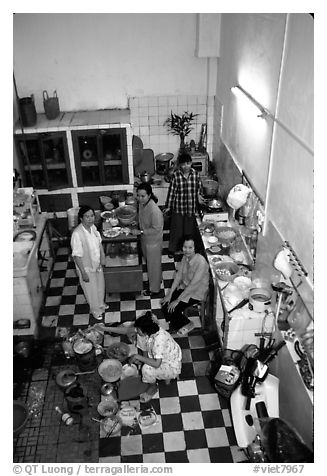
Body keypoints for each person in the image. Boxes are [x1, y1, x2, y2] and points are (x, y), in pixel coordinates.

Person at [95, 311, 182, 403]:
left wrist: (138, 357)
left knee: (146, 369)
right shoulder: (150, 330)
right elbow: (127, 330)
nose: (136, 330)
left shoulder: (158, 341)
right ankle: (158, 376)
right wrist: (103, 328)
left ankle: (153, 386)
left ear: (145, 330)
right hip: (161, 355)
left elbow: (157, 364)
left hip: (170, 364)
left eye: (138, 329)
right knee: (141, 338)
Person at [161, 234, 209, 335]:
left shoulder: (201, 262)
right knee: (165, 303)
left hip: (197, 292)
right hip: (185, 288)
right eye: (185, 247)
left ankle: (188, 324)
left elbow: (193, 286)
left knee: (173, 308)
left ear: (195, 248)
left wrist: (177, 300)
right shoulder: (185, 257)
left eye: (190, 247)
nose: (187, 250)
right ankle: (175, 323)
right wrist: (169, 294)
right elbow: (178, 276)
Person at [71, 205, 108, 320]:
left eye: (92, 216)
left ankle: (101, 304)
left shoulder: (93, 228)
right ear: (81, 218)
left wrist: (102, 256)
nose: (90, 218)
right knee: (90, 290)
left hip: (96, 264)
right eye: (87, 216)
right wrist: (83, 273)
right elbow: (77, 256)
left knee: (100, 286)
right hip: (86, 267)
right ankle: (95, 310)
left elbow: (99, 243)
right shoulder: (77, 234)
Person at [164, 151, 204, 258]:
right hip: (178, 207)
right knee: (176, 230)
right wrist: (168, 206)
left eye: (188, 163)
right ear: (180, 165)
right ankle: (172, 250)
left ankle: (188, 251)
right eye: (183, 164)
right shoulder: (176, 176)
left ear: (191, 163)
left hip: (191, 208)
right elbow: (172, 192)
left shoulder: (195, 174)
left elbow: (199, 189)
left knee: (188, 231)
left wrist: (199, 196)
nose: (186, 166)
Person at [133, 183, 164, 297]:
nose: (140, 198)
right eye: (138, 195)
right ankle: (156, 279)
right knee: (152, 264)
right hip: (146, 240)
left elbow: (157, 229)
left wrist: (140, 232)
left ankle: (155, 289)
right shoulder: (142, 204)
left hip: (153, 242)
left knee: (153, 265)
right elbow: (141, 217)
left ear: (149, 195)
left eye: (143, 196)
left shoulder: (154, 210)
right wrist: (137, 222)